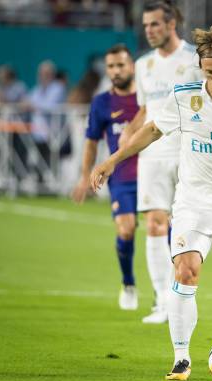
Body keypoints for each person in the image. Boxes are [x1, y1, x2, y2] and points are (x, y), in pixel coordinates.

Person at [90, 25, 212, 381]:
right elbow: (150, 131)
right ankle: (181, 358)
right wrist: (112, 160)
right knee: (185, 270)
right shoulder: (184, 97)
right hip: (193, 206)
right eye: (209, 72)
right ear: (200, 68)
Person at [120, 0, 201, 324]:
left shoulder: (195, 59)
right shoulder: (143, 65)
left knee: (184, 228)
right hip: (153, 153)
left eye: (155, 24)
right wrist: (130, 130)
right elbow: (147, 108)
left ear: (171, 24)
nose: (149, 31)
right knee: (155, 224)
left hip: (186, 153)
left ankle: (181, 295)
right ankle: (161, 302)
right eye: (145, 26)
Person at [71, 44, 139, 310]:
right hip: (122, 176)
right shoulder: (102, 102)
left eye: (121, 65)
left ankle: (165, 295)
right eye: (111, 66)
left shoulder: (146, 100)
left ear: (132, 66)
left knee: (165, 231)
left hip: (154, 173)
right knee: (126, 228)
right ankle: (129, 283)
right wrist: (84, 177)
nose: (116, 71)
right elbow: (91, 142)